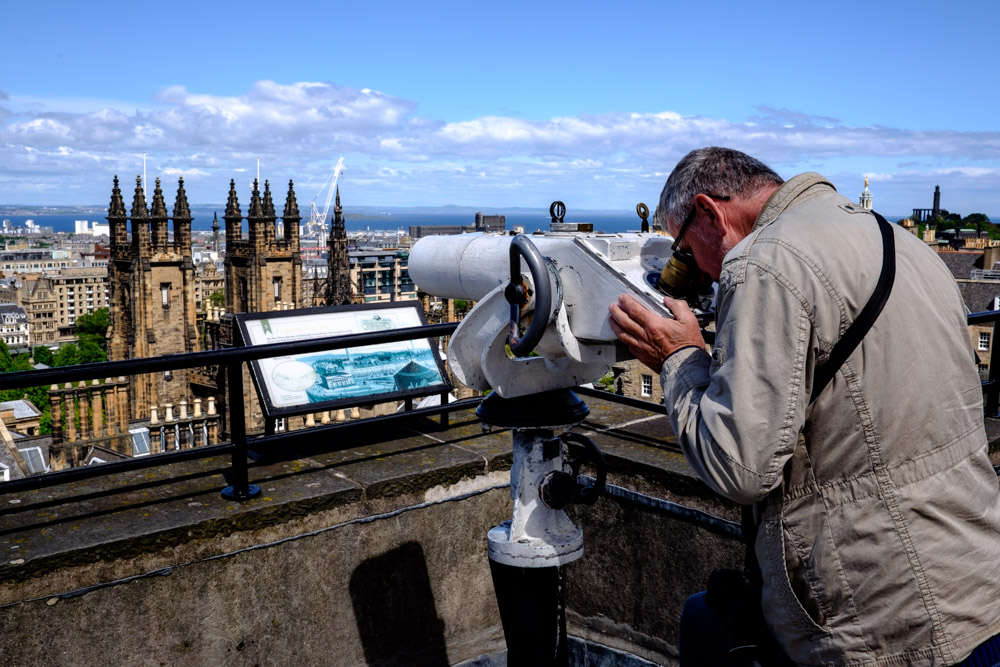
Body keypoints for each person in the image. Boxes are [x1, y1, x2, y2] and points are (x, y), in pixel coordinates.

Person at [608, 147, 1000, 666]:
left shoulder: (766, 261)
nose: (697, 273)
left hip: (886, 617)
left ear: (709, 212)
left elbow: (739, 467)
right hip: (977, 577)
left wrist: (679, 358)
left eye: (683, 252)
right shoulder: (894, 237)